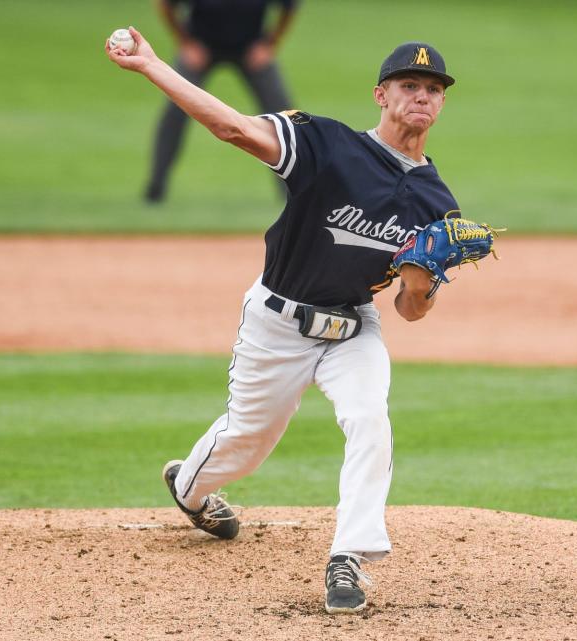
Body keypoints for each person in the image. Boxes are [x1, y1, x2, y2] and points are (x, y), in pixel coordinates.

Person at [107, 29, 460, 614]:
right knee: (248, 442)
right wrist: (151, 66)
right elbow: (234, 127)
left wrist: (423, 284)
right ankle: (189, 487)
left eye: (432, 88)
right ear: (381, 93)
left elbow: (410, 309)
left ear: (442, 103)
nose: (421, 95)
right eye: (408, 85)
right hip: (277, 322)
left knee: (370, 418)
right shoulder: (327, 144)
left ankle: (347, 559)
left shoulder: (436, 201)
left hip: (355, 328)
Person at [144, 0, 299, 203]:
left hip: (251, 47)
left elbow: (290, 7)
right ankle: (156, 187)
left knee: (286, 117)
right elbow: (164, 4)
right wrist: (185, 43)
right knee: (174, 111)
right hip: (201, 46)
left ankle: (296, 189)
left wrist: (270, 44)